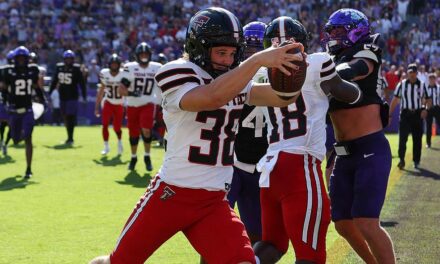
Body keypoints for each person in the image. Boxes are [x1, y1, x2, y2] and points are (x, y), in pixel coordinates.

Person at [89, 7, 305, 264]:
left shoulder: (235, 80)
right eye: (221, 52)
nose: (227, 60)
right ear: (199, 48)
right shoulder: (176, 71)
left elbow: (282, 98)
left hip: (213, 201)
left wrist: (293, 69)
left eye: (233, 53)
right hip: (171, 195)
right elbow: (211, 97)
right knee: (118, 262)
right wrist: (257, 60)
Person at [255, 16, 362, 264]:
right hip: (300, 165)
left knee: (271, 245)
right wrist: (355, 81)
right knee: (310, 255)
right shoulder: (317, 62)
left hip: (270, 168)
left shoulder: (261, 73)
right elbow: (348, 94)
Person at [323, 8, 396, 263]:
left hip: (370, 148)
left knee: (366, 221)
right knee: (343, 223)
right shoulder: (329, 60)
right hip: (343, 152)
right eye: (331, 31)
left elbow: (357, 68)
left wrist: (328, 74)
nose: (333, 36)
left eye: (339, 31)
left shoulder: (367, 48)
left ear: (356, 30)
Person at [227, 21, 267, 246]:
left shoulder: (280, 76)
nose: (253, 54)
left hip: (263, 166)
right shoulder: (232, 74)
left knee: (258, 235)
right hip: (232, 162)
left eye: (258, 49)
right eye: (249, 48)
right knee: (215, 226)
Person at [0, 46, 46, 178]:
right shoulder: (8, 72)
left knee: (28, 138)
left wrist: (43, 100)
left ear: (27, 59)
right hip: (14, 110)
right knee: (15, 139)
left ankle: (28, 169)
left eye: (23, 58)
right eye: (18, 58)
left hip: (27, 109)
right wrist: (4, 99)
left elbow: (37, 88)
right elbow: (3, 88)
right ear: (14, 59)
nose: (20, 61)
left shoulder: (32, 71)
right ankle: (17, 136)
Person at [118, 42, 162, 172]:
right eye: (141, 54)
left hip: (148, 103)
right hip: (132, 105)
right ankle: (133, 157)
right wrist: (132, 93)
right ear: (137, 55)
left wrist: (161, 101)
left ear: (150, 55)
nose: (144, 56)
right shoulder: (130, 67)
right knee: (133, 133)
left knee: (146, 129)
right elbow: (121, 90)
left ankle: (147, 156)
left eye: (146, 54)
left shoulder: (157, 67)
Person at [389, 64, 431, 169]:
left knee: (417, 139)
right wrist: (389, 114)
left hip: (417, 114)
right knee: (402, 138)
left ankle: (416, 161)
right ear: (407, 73)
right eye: (410, 73)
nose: (412, 75)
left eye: (413, 73)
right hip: (405, 114)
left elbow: (428, 99)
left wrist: (425, 109)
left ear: (417, 73)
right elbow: (394, 100)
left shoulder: (422, 85)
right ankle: (401, 159)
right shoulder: (402, 85)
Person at [49, 50, 87, 145]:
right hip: (62, 96)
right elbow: (54, 81)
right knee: (65, 116)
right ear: (64, 59)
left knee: (70, 116)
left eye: (70, 59)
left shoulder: (76, 68)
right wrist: (49, 93)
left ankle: (70, 138)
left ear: (73, 59)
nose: (69, 61)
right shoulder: (59, 67)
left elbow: (82, 84)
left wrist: (84, 96)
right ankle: (69, 137)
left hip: (72, 96)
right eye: (67, 59)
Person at [95, 54, 124, 155]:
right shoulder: (105, 73)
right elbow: (101, 90)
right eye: (113, 64)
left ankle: (120, 142)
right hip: (108, 102)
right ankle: (106, 146)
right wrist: (97, 106)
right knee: (105, 125)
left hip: (119, 103)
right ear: (109, 65)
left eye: (116, 64)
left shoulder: (123, 74)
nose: (114, 66)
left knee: (117, 127)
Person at [0, 50, 15, 155]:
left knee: (13, 125)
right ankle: (2, 141)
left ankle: (5, 142)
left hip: (15, 102)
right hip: (5, 100)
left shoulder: (21, 71)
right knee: (2, 123)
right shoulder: (3, 71)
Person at [425, 73, 439, 148]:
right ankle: (428, 143)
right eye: (430, 79)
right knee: (428, 126)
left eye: (433, 79)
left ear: (435, 79)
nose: (432, 80)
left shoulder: (439, 88)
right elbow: (423, 98)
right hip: (429, 108)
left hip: (437, 108)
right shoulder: (426, 88)